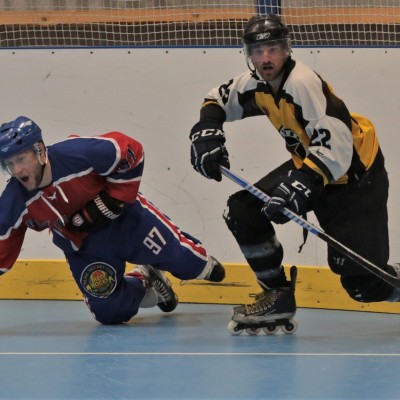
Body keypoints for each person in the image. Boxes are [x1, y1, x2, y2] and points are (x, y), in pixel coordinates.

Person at [189, 13, 400, 329]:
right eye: (257, 51)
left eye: (273, 49)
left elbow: (338, 147)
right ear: (249, 55)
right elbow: (217, 98)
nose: (266, 58)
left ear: (287, 50)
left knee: (364, 286)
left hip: (355, 175)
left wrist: (301, 183)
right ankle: (277, 295)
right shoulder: (255, 83)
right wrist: (207, 129)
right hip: (313, 165)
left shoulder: (302, 84)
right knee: (243, 211)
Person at [0, 116, 225, 325]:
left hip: (127, 223)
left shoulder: (78, 153)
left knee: (199, 267)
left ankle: (191, 260)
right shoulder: (14, 201)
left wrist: (113, 200)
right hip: (86, 249)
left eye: (21, 159)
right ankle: (145, 278)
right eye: (9, 164)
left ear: (39, 151)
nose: (17, 170)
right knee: (109, 311)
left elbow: (131, 150)